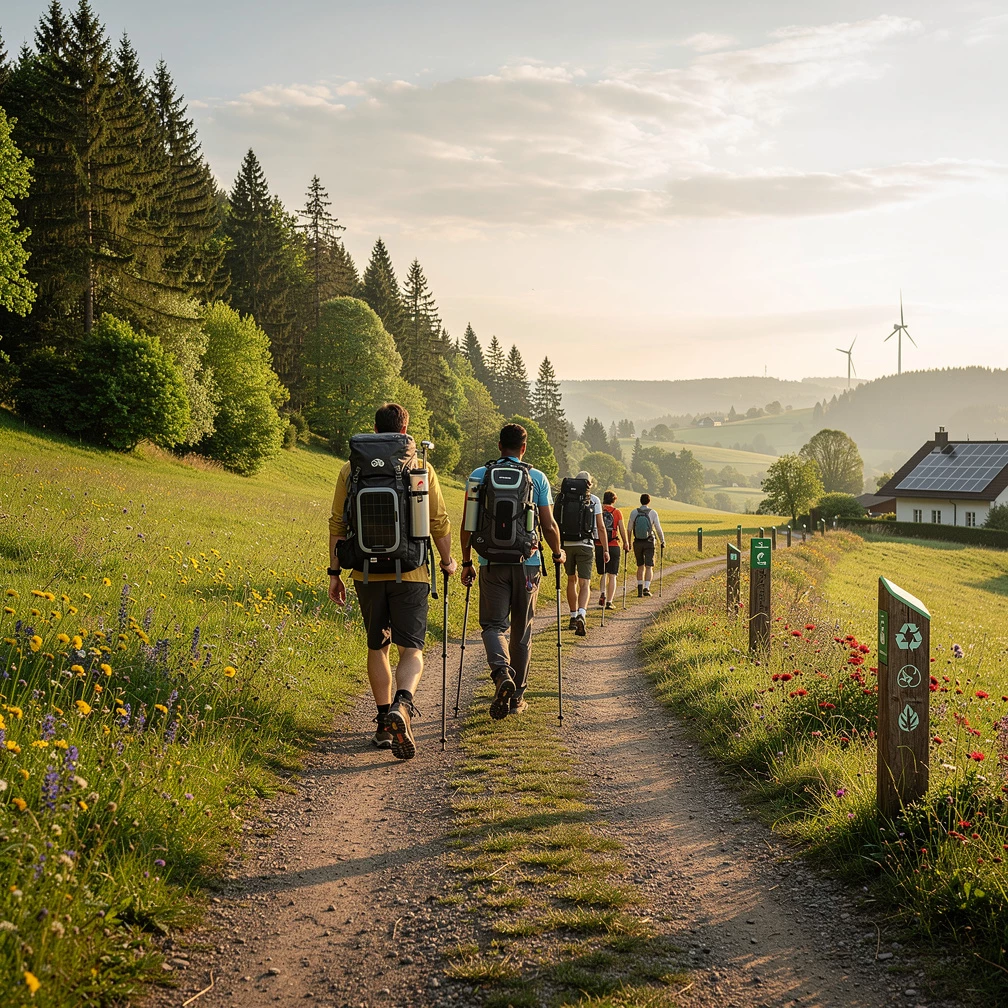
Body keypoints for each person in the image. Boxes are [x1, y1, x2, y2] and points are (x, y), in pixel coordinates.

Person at [328, 402, 456, 759]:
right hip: (412, 571)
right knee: (412, 648)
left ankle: (385, 723)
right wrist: (448, 561)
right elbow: (439, 521)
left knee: (377, 647)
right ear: (405, 431)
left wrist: (335, 572)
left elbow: (338, 524)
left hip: (365, 572)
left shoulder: (350, 469)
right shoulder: (420, 468)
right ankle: (403, 704)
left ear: (376, 428)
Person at [460, 423, 564, 719]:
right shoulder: (537, 477)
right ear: (523, 448)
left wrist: (467, 561)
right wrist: (558, 553)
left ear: (498, 446)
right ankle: (517, 697)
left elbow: (468, 525)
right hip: (527, 564)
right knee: (522, 631)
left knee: (493, 626)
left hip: (490, 562)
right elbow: (548, 524)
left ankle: (501, 672)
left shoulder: (479, 476)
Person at [563, 470, 607, 636]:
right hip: (586, 545)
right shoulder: (594, 500)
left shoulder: (564, 497)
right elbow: (601, 527)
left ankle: (572, 616)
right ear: (589, 483)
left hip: (566, 544)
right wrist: (605, 549)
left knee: (570, 580)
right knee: (585, 583)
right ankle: (582, 613)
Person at [627, 493, 665, 597]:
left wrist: (628, 543)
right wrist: (662, 541)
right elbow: (658, 528)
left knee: (640, 565)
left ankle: (639, 589)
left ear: (640, 501)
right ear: (649, 501)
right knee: (649, 566)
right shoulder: (653, 513)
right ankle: (646, 588)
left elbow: (629, 529)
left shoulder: (634, 512)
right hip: (649, 542)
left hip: (637, 542)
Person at [596, 490, 629, 610]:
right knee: (613, 575)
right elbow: (622, 529)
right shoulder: (617, 512)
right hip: (614, 545)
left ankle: (602, 595)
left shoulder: (599, 511)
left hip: (600, 545)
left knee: (603, 573)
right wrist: (626, 543)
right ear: (614, 500)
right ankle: (609, 601)